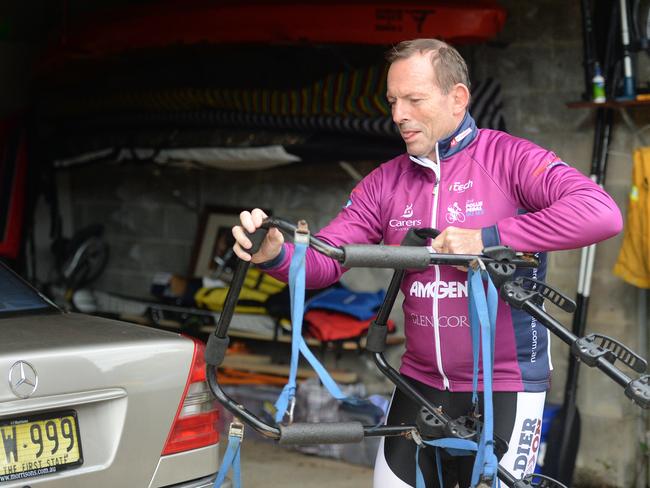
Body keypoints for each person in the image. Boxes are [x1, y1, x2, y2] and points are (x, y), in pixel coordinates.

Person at [231, 39, 623, 487]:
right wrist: (276, 255)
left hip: (505, 385)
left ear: (457, 98)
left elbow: (601, 213)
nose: (398, 114)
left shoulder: (509, 158)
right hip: (419, 384)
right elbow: (325, 261)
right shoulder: (385, 183)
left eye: (414, 99)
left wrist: (489, 239)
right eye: (393, 101)